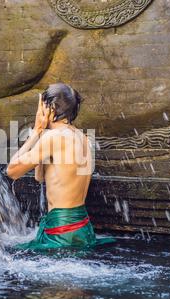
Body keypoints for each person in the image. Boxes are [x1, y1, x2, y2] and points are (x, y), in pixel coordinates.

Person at [7, 83, 114, 250]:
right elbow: (40, 177)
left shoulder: (55, 138)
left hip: (62, 231)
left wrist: (35, 132)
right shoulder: (83, 137)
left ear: (49, 108)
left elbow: (12, 171)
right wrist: (42, 134)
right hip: (82, 227)